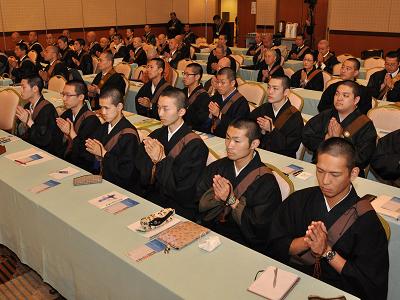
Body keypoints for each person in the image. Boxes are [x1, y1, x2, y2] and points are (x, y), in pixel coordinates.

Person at [268, 137, 389, 300]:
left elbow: (370, 285)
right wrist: (308, 241)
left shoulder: (367, 221)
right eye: (320, 171)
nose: (325, 181)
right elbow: (274, 243)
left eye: (335, 174)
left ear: (353, 173)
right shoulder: (300, 200)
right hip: (292, 280)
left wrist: (327, 251)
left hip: (337, 292)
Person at [198, 118, 281, 253]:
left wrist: (231, 200)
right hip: (209, 234)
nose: (229, 145)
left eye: (237, 141)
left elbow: (260, 229)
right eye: (227, 138)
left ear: (254, 143)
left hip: (242, 245)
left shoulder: (266, 181)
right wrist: (216, 198)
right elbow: (197, 198)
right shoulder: (219, 167)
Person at [135, 88, 208, 220]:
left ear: (181, 111)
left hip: (177, 207)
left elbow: (185, 190)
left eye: (166, 109)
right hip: (151, 197)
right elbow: (139, 167)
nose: (160, 113)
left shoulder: (195, 146)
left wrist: (162, 160)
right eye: (158, 108)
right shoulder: (156, 135)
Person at [303, 80, 377, 176]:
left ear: (356, 100)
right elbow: (306, 135)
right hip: (320, 166)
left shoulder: (365, 124)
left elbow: (363, 158)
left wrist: (341, 138)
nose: (339, 98)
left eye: (345, 96)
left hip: (348, 173)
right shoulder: (326, 115)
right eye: (337, 94)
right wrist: (326, 139)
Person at [86, 88, 141, 193]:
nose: (103, 112)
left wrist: (103, 154)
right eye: (101, 107)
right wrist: (97, 156)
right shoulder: (104, 127)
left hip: (120, 188)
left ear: (119, 107)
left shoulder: (129, 135)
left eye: (107, 108)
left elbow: (127, 172)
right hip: (101, 179)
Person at [250, 75, 303, 158]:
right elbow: (248, 129)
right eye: (268, 87)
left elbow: (291, 148)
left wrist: (272, 129)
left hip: (282, 159)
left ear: (286, 92)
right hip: (260, 155)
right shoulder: (263, 109)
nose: (270, 91)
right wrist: (261, 131)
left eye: (275, 88)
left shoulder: (294, 116)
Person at [56, 80, 100, 171]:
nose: (64, 98)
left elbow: (87, 155)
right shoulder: (67, 114)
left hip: (81, 168)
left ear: (81, 97)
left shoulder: (91, 120)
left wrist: (71, 134)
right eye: (63, 94)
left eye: (68, 95)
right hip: (62, 161)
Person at [15, 75, 63, 156]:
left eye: (23, 87)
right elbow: (22, 133)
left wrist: (28, 122)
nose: (21, 90)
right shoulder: (27, 106)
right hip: (30, 147)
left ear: (35, 89)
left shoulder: (47, 109)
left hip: (47, 153)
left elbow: (44, 140)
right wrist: (23, 123)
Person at [208, 67, 249, 137]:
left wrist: (219, 114)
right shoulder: (216, 96)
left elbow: (238, 127)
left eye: (223, 83)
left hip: (229, 138)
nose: (219, 85)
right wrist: (210, 115)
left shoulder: (241, 102)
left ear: (232, 83)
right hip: (211, 134)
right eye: (218, 82)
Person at [181, 63, 210, 132]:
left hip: (194, 130)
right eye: (184, 73)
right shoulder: (182, 92)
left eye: (187, 74)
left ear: (197, 77)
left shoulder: (204, 96)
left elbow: (200, 120)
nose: (184, 77)